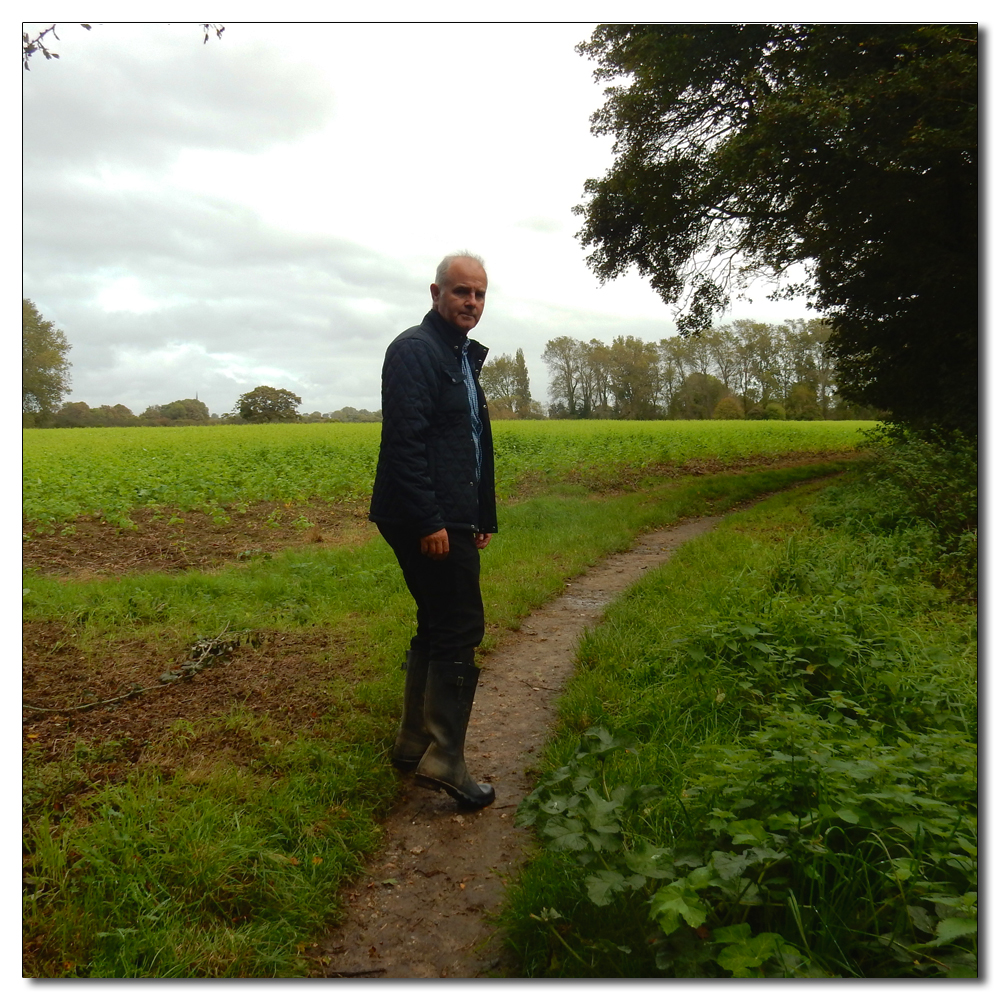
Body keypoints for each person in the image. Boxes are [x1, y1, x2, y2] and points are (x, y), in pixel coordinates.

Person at [369, 253, 497, 810]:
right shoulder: (414, 351)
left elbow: (468, 440)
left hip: (452, 513)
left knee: (437, 620)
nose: (471, 302)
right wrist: (430, 521)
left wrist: (479, 517)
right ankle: (445, 757)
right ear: (436, 292)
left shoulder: (460, 356)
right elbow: (406, 442)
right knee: (460, 625)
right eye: (461, 292)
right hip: (424, 515)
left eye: (480, 294)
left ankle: (413, 742)